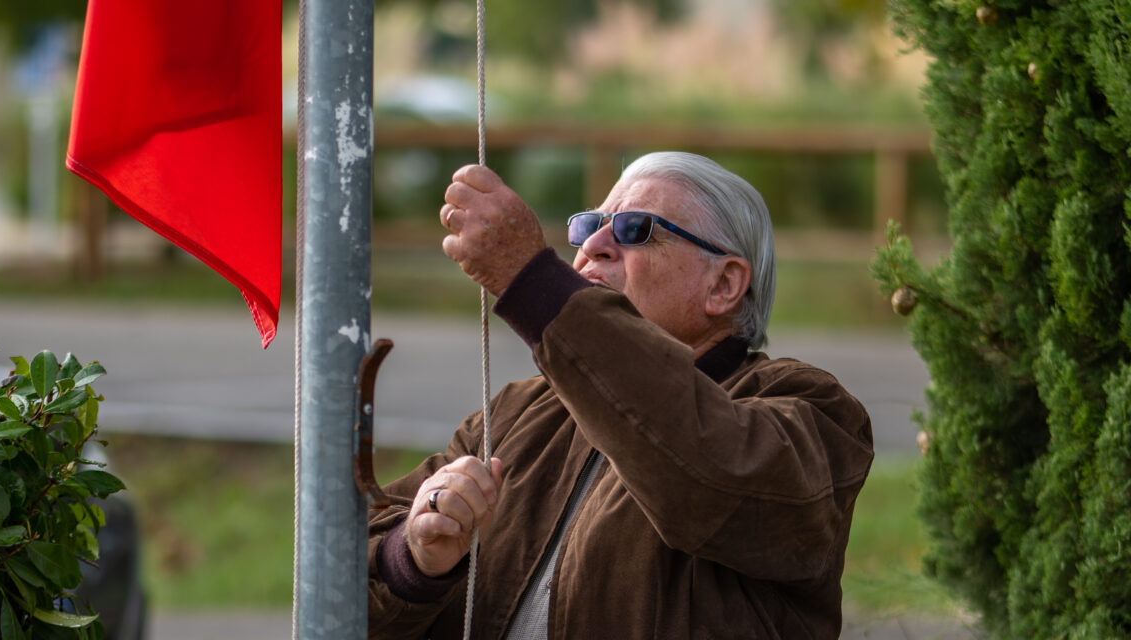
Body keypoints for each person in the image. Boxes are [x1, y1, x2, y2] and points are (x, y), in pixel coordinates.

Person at [367, 151, 874, 639]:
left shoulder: (814, 408)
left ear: (723, 285)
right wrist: (415, 561)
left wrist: (530, 279)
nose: (593, 246)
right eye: (588, 226)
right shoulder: (515, 411)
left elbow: (706, 468)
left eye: (636, 229)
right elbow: (342, 575)